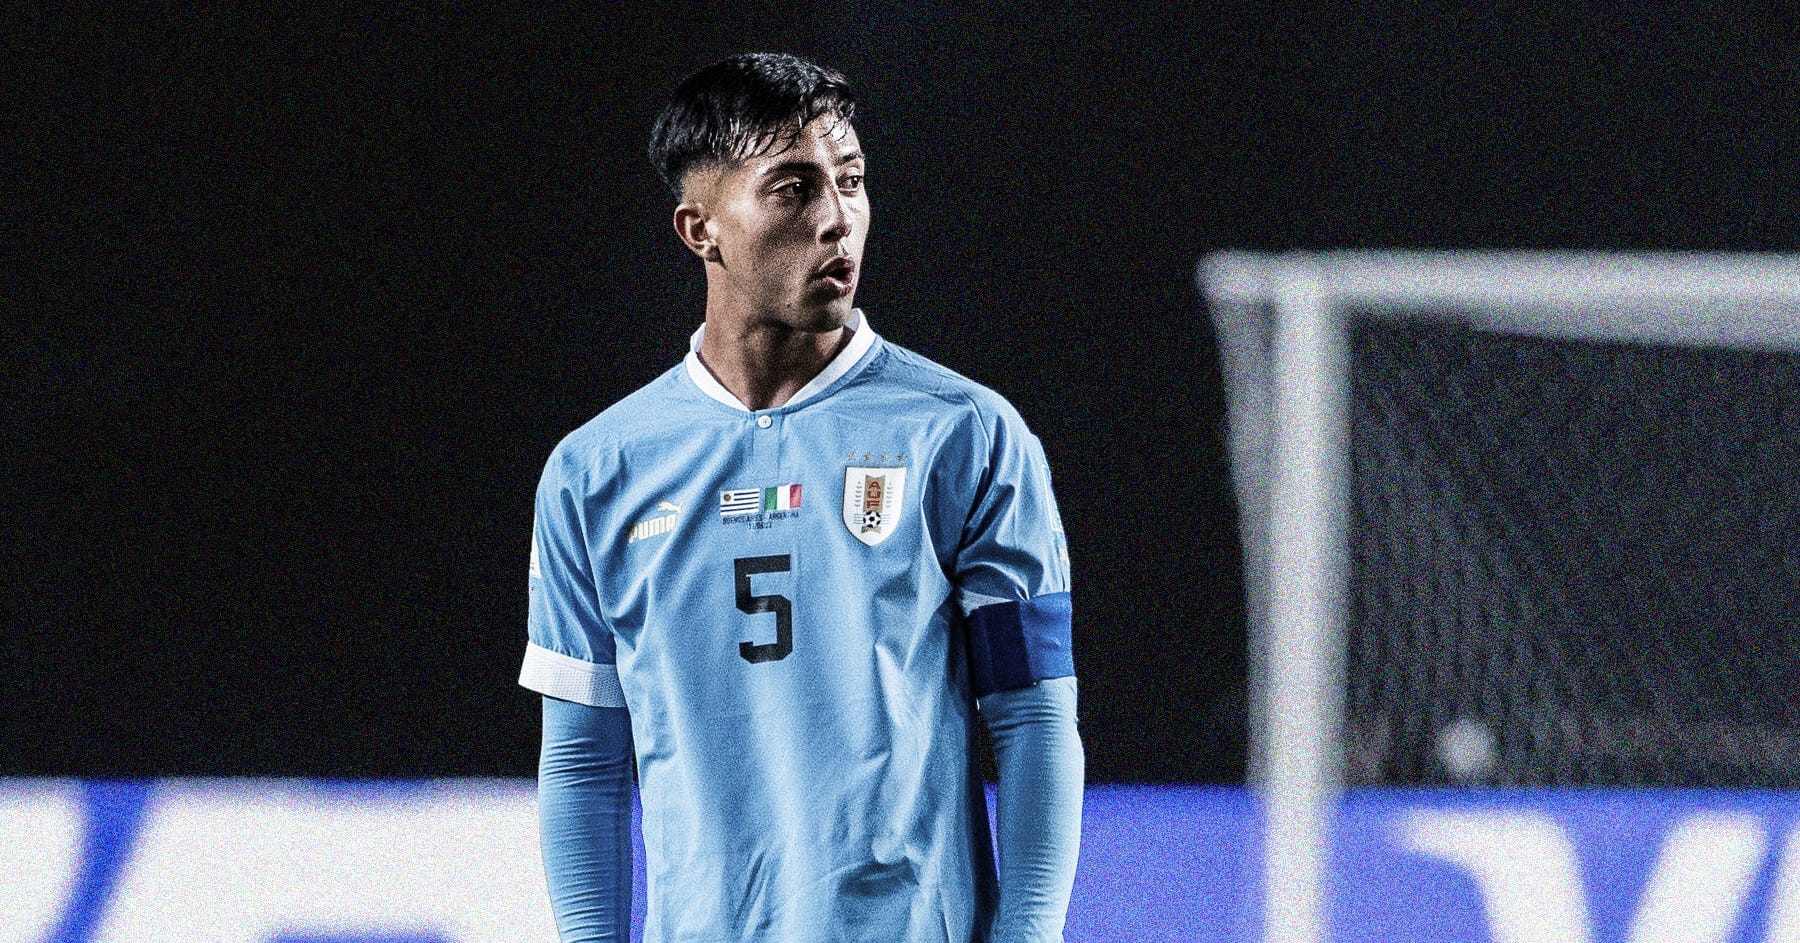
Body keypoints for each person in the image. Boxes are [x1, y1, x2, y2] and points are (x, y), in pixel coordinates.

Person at [519, 51, 1083, 943]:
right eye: (792, 190)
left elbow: (1034, 718)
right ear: (701, 229)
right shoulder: (597, 472)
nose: (838, 221)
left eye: (851, 181)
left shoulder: (965, 434)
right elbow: (584, 761)